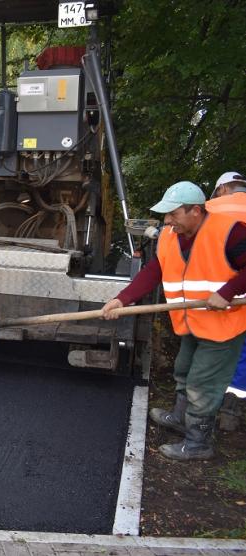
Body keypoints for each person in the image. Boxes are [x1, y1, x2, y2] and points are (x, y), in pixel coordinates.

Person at [102, 181, 246, 460]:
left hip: (223, 324)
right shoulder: (170, 235)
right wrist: (122, 299)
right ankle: (180, 419)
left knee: (203, 382)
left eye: (173, 214)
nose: (167, 220)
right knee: (183, 369)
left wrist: (227, 291)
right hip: (192, 320)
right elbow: (155, 269)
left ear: (195, 210)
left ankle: (198, 442)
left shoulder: (230, 232)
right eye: (166, 215)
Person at [205, 171, 246, 431]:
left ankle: (202, 412)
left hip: (222, 295)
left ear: (221, 189)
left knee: (214, 348)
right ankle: (231, 411)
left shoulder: (211, 209)